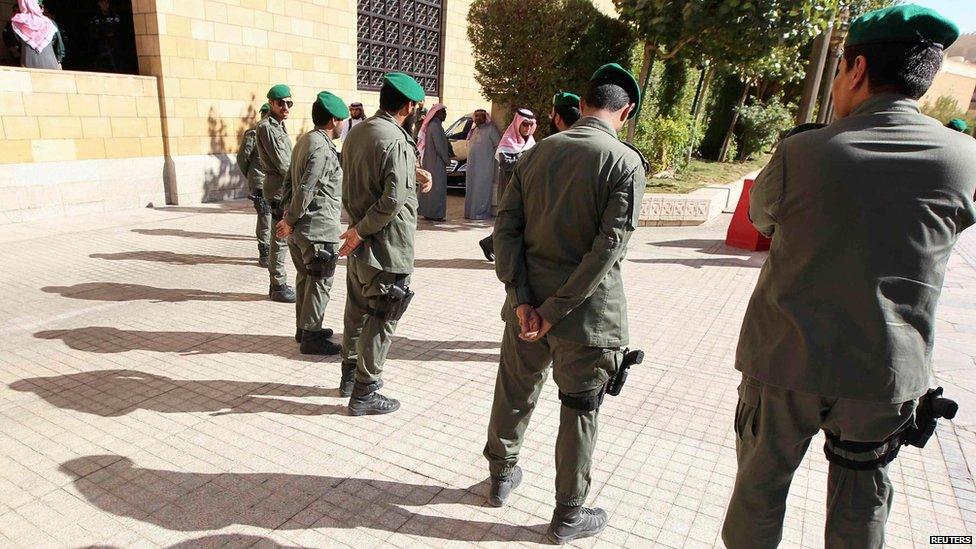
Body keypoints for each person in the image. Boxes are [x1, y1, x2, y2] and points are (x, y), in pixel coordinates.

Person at [722, 6, 976, 549]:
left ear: (857, 70)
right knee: (862, 506)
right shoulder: (964, 159)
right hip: (884, 374)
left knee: (759, 494)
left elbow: (761, 219)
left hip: (786, 360)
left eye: (838, 71)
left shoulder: (802, 152)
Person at [484, 63, 646, 544]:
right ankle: (568, 515)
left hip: (525, 311)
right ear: (626, 110)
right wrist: (553, 310)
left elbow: (505, 229)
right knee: (579, 409)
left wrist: (522, 302)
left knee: (514, 391)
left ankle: (500, 477)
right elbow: (607, 250)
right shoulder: (624, 162)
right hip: (585, 321)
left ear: (585, 102)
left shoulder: (536, 154)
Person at [338, 72, 432, 415]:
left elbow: (370, 175)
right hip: (385, 245)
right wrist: (363, 231)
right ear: (409, 106)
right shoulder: (396, 139)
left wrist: (416, 173)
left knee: (356, 310)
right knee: (384, 314)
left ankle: (349, 375)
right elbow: (392, 199)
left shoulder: (358, 132)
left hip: (359, 244)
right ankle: (365, 391)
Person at [275, 92, 349, 355]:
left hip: (300, 229)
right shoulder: (321, 149)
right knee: (320, 281)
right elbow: (307, 187)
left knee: (306, 278)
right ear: (332, 120)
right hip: (317, 228)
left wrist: (288, 217)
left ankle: (304, 326)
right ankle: (311, 337)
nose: (343, 125)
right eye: (342, 121)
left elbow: (288, 182)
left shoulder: (305, 141)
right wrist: (290, 220)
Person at [255, 84, 297, 304]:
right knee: (280, 237)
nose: (286, 107)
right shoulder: (267, 127)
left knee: (280, 236)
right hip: (280, 189)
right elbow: (283, 164)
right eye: (281, 103)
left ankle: (277, 283)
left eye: (289, 103)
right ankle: (278, 285)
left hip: (283, 187)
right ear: (271, 103)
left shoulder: (278, 125)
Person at [237, 103, 272, 267]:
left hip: (275, 184)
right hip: (260, 183)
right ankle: (264, 250)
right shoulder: (253, 133)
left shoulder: (277, 133)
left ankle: (272, 248)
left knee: (275, 217)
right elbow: (243, 158)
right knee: (265, 218)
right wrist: (251, 176)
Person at [464, 109, 502, 221]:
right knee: (471, 189)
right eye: (477, 116)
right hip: (472, 167)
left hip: (484, 167)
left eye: (481, 116)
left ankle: (480, 214)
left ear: (486, 117)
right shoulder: (474, 130)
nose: (479, 118)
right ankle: (470, 213)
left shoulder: (491, 129)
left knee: (481, 190)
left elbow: (498, 146)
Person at [417, 103, 452, 222]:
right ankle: (435, 214)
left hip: (431, 161)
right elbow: (440, 147)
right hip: (436, 162)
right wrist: (447, 160)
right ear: (437, 113)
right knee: (437, 188)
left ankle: (428, 212)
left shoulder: (433, 125)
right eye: (443, 112)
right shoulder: (435, 126)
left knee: (431, 188)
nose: (445, 115)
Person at [9, 0, 61, 70]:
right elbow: (57, 43)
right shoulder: (49, 22)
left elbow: (17, 39)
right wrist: (59, 61)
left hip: (29, 66)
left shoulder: (18, 22)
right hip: (51, 66)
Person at [88, 0, 122, 73]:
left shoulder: (114, 16)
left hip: (113, 45)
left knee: (116, 65)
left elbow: (116, 30)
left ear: (108, 4)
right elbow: (94, 30)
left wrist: (106, 32)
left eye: (106, 3)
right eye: (102, 3)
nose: (104, 5)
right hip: (100, 45)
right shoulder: (96, 17)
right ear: (99, 4)